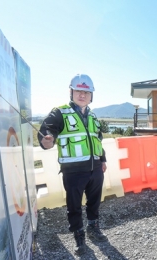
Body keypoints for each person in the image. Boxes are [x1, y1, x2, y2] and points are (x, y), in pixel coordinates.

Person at [38, 74, 107, 255]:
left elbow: (97, 140)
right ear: (71, 92)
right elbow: (47, 129)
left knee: (94, 201)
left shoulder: (93, 116)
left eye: (86, 92)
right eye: (78, 91)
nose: (82, 95)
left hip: (95, 169)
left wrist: (103, 160)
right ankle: (79, 236)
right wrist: (47, 140)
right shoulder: (60, 112)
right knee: (74, 206)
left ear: (91, 95)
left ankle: (93, 226)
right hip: (74, 172)